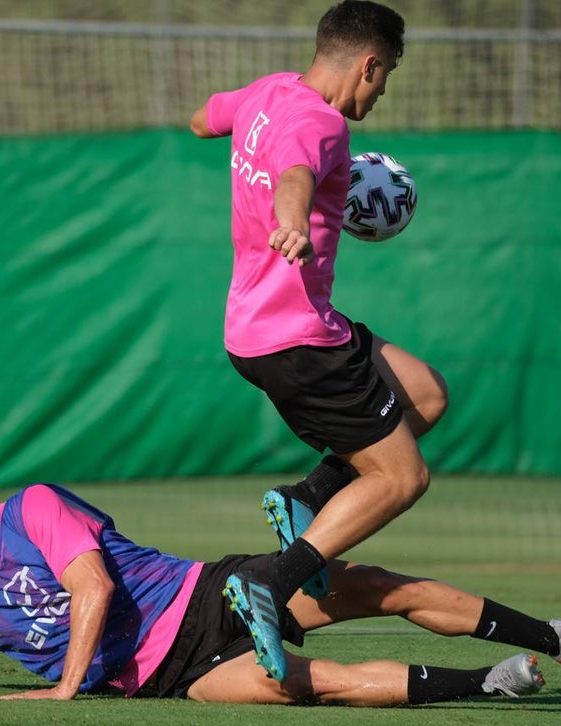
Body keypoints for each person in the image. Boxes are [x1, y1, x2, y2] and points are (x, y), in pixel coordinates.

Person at [0, 444, 561, 707]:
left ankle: (558, 638)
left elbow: (90, 587)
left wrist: (63, 689)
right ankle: (487, 683)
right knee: (318, 684)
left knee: (377, 585)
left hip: (205, 595)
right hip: (170, 678)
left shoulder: (34, 510)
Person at [189, 1, 442, 680]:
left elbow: (203, 116)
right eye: (382, 75)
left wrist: (248, 148)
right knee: (404, 475)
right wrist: (293, 219)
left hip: (259, 327)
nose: (380, 90)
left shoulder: (269, 93)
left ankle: (309, 498)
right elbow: (297, 176)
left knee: (425, 393)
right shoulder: (322, 122)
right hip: (296, 340)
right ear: (366, 63)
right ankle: (274, 580)